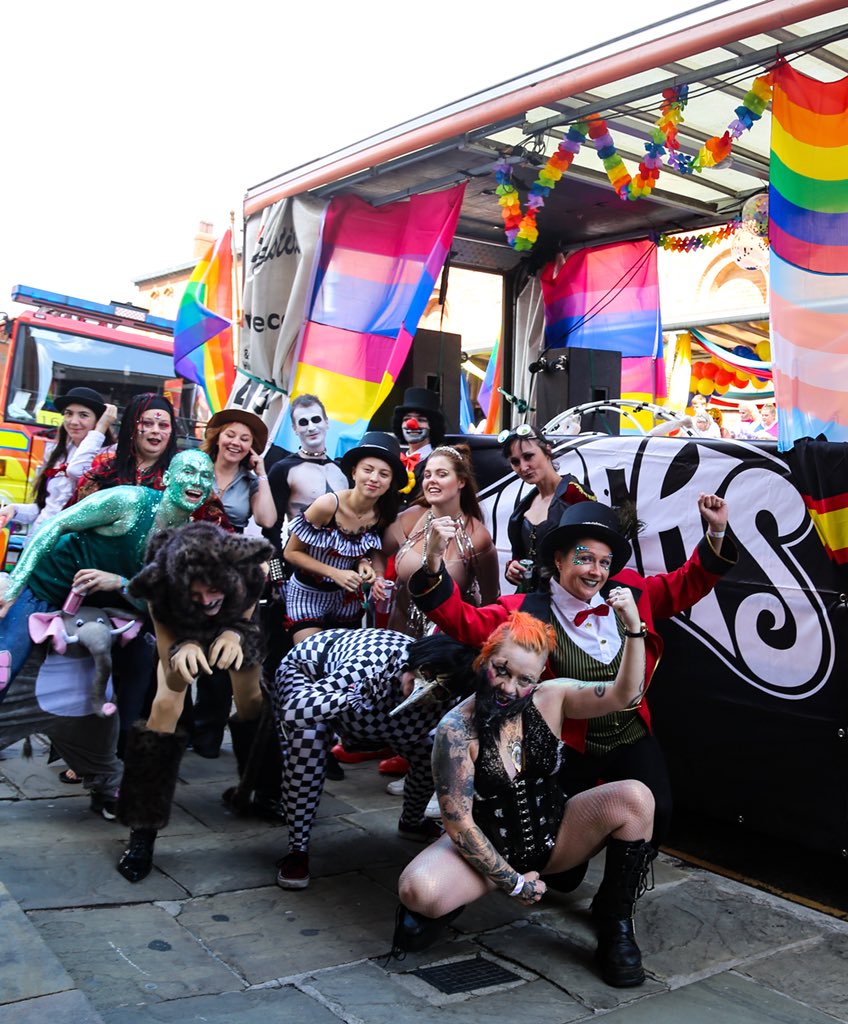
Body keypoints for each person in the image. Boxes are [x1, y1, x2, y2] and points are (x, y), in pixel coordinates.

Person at [407, 494, 737, 854]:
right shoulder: (526, 611)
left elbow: (686, 583)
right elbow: (462, 619)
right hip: (570, 744)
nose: (596, 571)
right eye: (584, 559)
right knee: (562, 861)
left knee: (658, 811)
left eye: (604, 562)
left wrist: (717, 531)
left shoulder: (630, 593)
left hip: (630, 732)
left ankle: (616, 904)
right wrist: (434, 559)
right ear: (559, 560)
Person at [395, 608, 655, 988]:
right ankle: (449, 902)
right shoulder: (455, 730)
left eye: (524, 679)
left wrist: (634, 630)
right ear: (484, 659)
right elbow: (460, 823)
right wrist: (513, 882)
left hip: (555, 835)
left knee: (637, 797)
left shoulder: (553, 697)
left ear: (538, 679)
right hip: (490, 847)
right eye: (501, 670)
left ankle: (616, 925)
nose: (509, 688)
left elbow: (625, 693)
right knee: (418, 891)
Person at [0, 450, 217, 816]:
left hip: (114, 610)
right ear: (166, 479)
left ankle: (106, 780)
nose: (196, 481)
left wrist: (119, 582)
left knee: (129, 688)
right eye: (188, 472)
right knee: (5, 669)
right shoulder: (128, 501)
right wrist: (15, 585)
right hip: (46, 588)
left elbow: (166, 596)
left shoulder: (189, 542)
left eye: (204, 476)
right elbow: (55, 526)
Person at [115, 522, 274, 882]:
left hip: (237, 619)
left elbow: (247, 610)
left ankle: (262, 789)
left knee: (250, 696)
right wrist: (182, 649)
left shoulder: (246, 567)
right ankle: (142, 830)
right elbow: (168, 665)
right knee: (165, 705)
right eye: (197, 595)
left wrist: (233, 634)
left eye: (212, 591)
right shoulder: (160, 583)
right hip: (178, 628)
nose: (205, 602)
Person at [269, 629, 479, 889]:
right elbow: (293, 711)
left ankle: (411, 822)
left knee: (431, 749)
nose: (422, 690)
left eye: (439, 690)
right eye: (424, 675)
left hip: (383, 719)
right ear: (417, 663)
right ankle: (297, 850)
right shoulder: (370, 664)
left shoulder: (455, 695)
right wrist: (355, 696)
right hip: (315, 681)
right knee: (306, 741)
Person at [283, 431, 405, 644]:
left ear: (390, 482)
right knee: (311, 658)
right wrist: (334, 572)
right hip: (307, 593)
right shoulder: (327, 505)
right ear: (354, 472)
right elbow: (291, 552)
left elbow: (376, 551)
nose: (374, 478)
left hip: (347, 599)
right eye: (368, 470)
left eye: (384, 474)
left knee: (342, 665)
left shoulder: (383, 514)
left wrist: (374, 573)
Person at [382, 444, 499, 638]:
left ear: (461, 481)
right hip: (399, 635)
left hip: (447, 645)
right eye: (427, 475)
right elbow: (377, 551)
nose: (431, 481)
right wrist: (377, 575)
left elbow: (491, 603)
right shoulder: (409, 518)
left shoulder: (477, 537)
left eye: (441, 474)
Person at [0, 387, 117, 531]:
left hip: (68, 547)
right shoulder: (56, 453)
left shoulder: (109, 456)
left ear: (98, 421)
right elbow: (46, 509)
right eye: (68, 414)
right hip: (37, 541)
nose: (73, 421)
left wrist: (100, 429)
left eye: (83, 415)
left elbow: (76, 471)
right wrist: (14, 509)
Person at [498, 424, 595, 593]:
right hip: (530, 601)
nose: (523, 467)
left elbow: (593, 553)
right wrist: (514, 567)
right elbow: (520, 555)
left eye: (529, 456)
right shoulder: (525, 504)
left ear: (547, 451)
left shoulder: (575, 494)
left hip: (567, 600)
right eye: (515, 462)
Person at [264, 395, 348, 549]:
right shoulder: (283, 469)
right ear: (295, 429)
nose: (311, 427)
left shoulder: (342, 469)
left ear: (326, 422)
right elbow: (271, 528)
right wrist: (277, 571)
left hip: (341, 562)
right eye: (303, 422)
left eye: (316, 419)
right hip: (299, 559)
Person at [202, 408, 276, 534]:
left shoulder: (252, 482)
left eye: (245, 439)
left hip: (230, 549)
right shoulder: (196, 470)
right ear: (217, 438)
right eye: (230, 435)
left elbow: (267, 521)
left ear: (251, 447)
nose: (236, 442)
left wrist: (262, 474)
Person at [391, 387, 446, 500]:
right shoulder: (394, 461)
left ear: (432, 426)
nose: (412, 424)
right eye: (406, 419)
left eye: (421, 420)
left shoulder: (441, 462)